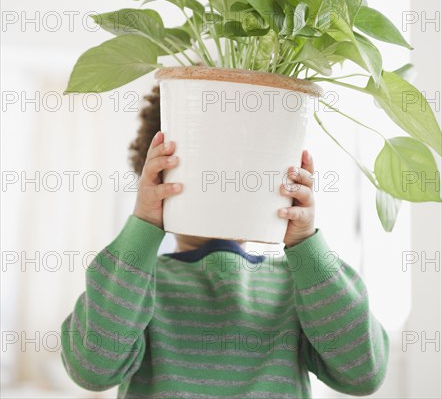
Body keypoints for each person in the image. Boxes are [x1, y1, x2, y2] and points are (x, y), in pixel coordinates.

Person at [60, 84, 389, 398]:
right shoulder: (136, 284)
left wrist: (306, 245)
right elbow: (92, 368)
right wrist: (143, 224)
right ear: (159, 175)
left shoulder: (299, 286)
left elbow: (362, 372)